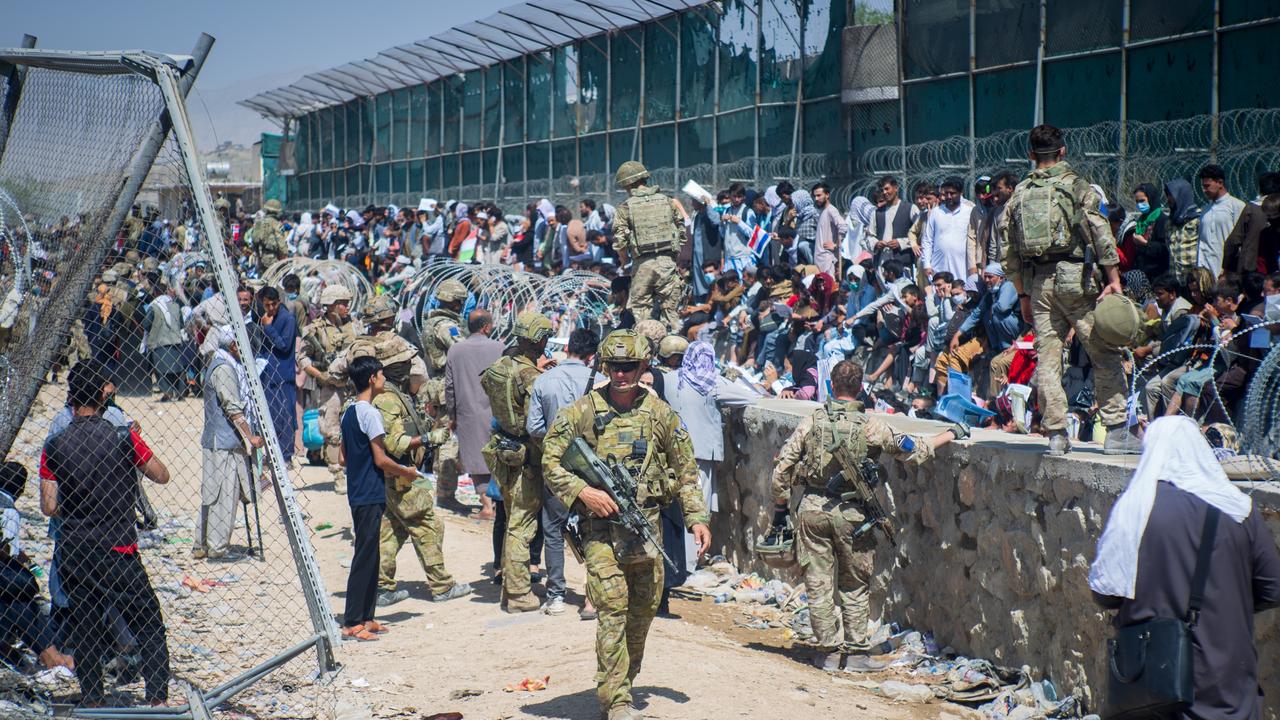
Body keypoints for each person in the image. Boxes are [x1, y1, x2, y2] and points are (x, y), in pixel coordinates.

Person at [541, 330, 711, 720]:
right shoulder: (583, 411)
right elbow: (550, 461)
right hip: (600, 530)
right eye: (614, 367)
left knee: (643, 611)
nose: (620, 375)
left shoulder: (658, 413)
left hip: (644, 529)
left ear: (642, 366)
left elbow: (686, 470)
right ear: (604, 367)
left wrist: (697, 518)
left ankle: (624, 681)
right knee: (613, 609)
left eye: (628, 367)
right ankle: (615, 700)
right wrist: (584, 492)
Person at [770, 360, 963, 672]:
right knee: (855, 584)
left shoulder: (812, 422)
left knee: (817, 583)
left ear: (831, 386)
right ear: (860, 388)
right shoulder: (871, 426)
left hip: (812, 511)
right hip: (854, 516)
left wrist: (780, 511)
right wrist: (951, 433)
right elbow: (914, 448)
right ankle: (857, 654)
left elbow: (782, 471)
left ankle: (829, 652)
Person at [1089, 416, 1280, 719]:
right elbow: (1272, 587)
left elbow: (1105, 593)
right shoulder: (1239, 508)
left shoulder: (1134, 508)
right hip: (1228, 686)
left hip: (1155, 687)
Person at [1000, 123, 1137, 456]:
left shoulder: (1019, 194)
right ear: (1062, 152)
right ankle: (1117, 432)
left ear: (1031, 155)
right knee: (1103, 353)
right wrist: (1114, 280)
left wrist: (1022, 295)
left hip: (1039, 284)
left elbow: (1008, 252)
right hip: (1078, 281)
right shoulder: (1078, 188)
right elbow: (1100, 233)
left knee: (1047, 360)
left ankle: (1057, 435)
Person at [43, 363, 172, 706]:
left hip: (76, 549)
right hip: (118, 546)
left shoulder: (55, 444)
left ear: (71, 395)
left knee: (86, 626)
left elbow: (48, 504)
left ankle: (93, 699)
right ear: (104, 394)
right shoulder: (122, 437)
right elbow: (162, 475)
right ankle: (157, 699)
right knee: (147, 621)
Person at [367, 342, 472, 607]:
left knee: (391, 530)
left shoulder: (395, 394)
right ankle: (441, 585)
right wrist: (427, 437)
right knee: (429, 524)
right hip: (401, 474)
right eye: (406, 362)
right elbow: (394, 443)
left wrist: (430, 427)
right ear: (396, 366)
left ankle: (382, 587)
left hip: (396, 476)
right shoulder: (388, 399)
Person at [481, 311, 554, 613]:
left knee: (512, 519)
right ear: (538, 341)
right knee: (522, 527)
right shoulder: (531, 377)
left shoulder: (499, 367)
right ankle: (519, 593)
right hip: (527, 455)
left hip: (503, 450)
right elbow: (536, 421)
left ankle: (510, 589)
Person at [526, 328, 600, 619]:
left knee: (553, 529)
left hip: (556, 467)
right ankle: (591, 600)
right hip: (592, 470)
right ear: (592, 355)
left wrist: (555, 444)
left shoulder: (544, 380)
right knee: (595, 531)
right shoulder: (600, 383)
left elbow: (534, 427)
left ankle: (556, 595)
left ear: (567, 347)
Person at [339, 355, 413, 642]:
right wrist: (407, 471)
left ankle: (367, 617)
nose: (384, 379)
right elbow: (381, 459)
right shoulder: (370, 413)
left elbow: (344, 457)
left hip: (359, 490)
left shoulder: (349, 412)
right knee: (364, 555)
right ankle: (352, 622)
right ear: (371, 378)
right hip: (370, 490)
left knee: (372, 553)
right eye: (381, 374)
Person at [0, 462, 74, 671]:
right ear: (21, 490)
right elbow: (8, 551)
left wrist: (31, 565)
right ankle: (50, 655)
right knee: (23, 596)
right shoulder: (9, 511)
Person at [198, 327, 263, 560]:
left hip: (219, 439)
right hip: (224, 442)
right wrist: (250, 436)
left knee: (213, 492)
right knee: (225, 494)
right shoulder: (225, 369)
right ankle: (217, 547)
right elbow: (232, 407)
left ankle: (203, 543)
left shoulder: (218, 363)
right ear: (234, 345)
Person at [612, 161, 686, 333]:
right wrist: (672, 257)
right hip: (667, 263)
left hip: (642, 265)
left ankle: (646, 348)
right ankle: (672, 348)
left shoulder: (626, 207)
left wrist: (624, 261)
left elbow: (620, 242)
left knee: (640, 311)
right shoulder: (667, 201)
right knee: (671, 311)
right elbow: (681, 231)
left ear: (626, 184)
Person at [445, 309, 505, 520]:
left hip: (467, 412)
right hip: (497, 413)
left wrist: (451, 416)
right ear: (486, 327)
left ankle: (486, 505)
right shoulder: (501, 348)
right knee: (499, 458)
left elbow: (450, 388)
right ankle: (498, 504)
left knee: (475, 458)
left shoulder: (455, 350)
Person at [300, 285, 360, 494]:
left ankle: (356, 471)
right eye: (342, 303)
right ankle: (338, 475)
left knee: (359, 428)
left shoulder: (354, 325)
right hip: (331, 387)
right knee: (332, 431)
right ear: (332, 306)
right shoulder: (315, 329)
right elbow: (302, 358)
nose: (346, 307)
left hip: (354, 384)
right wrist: (320, 376)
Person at [255, 286, 298, 465]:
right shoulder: (263, 317)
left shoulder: (287, 319)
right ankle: (274, 454)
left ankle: (286, 456)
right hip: (268, 374)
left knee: (286, 417)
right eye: (267, 305)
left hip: (284, 375)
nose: (271, 308)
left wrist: (268, 328)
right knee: (271, 416)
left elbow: (284, 345)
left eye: (274, 304)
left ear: (279, 301)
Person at [921, 177, 974, 282]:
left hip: (962, 268)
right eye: (946, 193)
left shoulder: (970, 212)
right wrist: (926, 264)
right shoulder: (936, 213)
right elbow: (927, 240)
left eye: (952, 193)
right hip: (938, 267)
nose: (949, 197)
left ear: (961, 193)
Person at [1196, 164, 1245, 279]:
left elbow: (1241, 240)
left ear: (1220, 183)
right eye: (1203, 186)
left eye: (1207, 186)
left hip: (1226, 270)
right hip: (1206, 271)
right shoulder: (1205, 210)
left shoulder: (1236, 206)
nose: (1204, 190)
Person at [143, 283, 188, 402]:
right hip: (176, 341)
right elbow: (182, 324)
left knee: (161, 370)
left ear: (155, 293)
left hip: (159, 342)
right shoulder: (176, 305)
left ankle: (167, 393)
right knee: (177, 370)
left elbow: (146, 324)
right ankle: (180, 393)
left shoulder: (154, 306)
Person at [421, 279, 468, 375]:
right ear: (455, 303)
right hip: (448, 378)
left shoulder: (433, 321)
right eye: (460, 301)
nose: (462, 305)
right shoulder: (448, 326)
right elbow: (463, 349)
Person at [255, 199, 288, 272]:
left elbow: (254, 240)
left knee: (262, 281)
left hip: (260, 257)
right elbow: (281, 244)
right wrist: (285, 255)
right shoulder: (276, 223)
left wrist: (257, 254)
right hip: (272, 258)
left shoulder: (258, 223)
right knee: (272, 281)